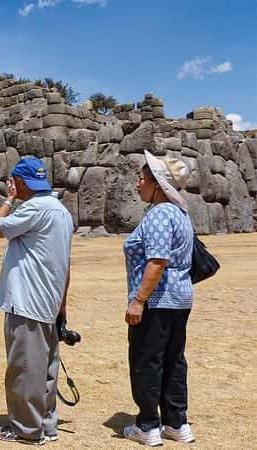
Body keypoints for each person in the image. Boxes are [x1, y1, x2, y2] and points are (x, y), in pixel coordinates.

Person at [0, 157, 74, 445]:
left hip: (27, 299)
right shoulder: (60, 210)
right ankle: (46, 425)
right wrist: (62, 303)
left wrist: (9, 200)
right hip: (49, 299)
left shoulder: (34, 208)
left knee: (24, 367)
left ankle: (26, 429)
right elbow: (66, 263)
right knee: (46, 368)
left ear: (20, 182)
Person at [122, 151, 196, 447]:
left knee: (146, 361)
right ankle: (177, 422)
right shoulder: (181, 213)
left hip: (156, 300)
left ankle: (148, 425)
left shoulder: (160, 214)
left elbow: (157, 261)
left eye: (141, 179)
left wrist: (139, 299)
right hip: (180, 299)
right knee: (174, 361)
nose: (137, 184)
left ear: (157, 184)